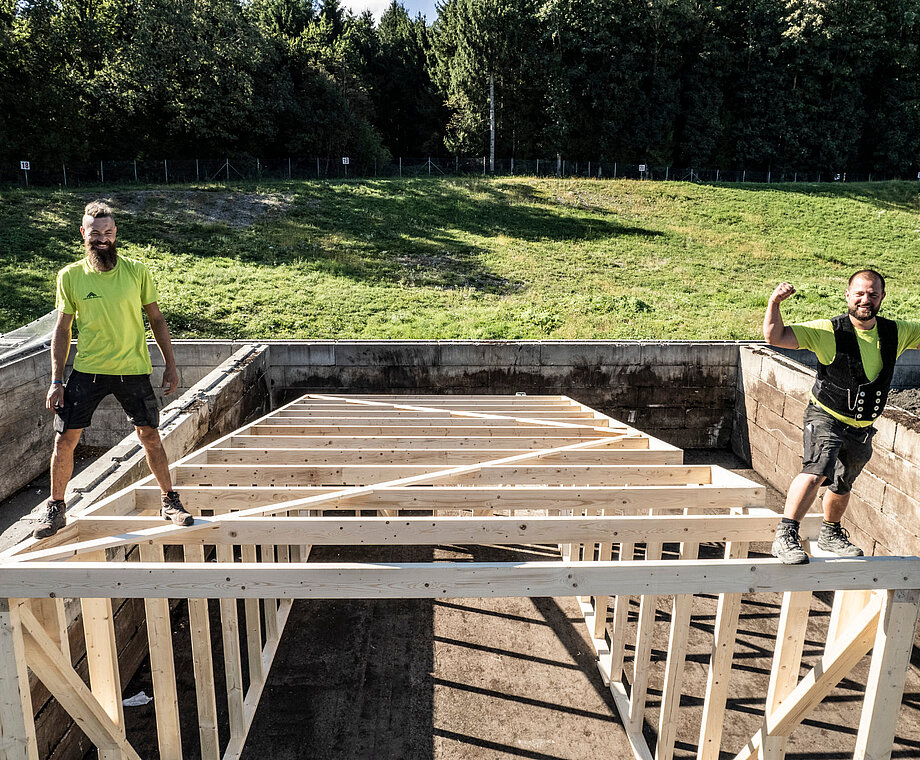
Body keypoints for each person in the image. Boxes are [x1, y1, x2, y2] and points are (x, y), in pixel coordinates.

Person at [34, 201, 194, 538]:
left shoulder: (137, 271)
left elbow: (157, 319)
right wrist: (56, 380)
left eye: (108, 232)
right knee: (64, 441)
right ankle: (56, 508)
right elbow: (62, 331)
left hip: (132, 369)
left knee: (150, 435)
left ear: (115, 233)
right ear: (84, 234)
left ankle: (170, 501)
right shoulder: (71, 276)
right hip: (88, 371)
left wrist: (170, 364)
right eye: (95, 233)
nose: (102, 238)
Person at [763, 270, 920, 564]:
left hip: (861, 427)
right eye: (859, 293)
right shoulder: (828, 330)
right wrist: (775, 303)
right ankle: (785, 535)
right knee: (818, 466)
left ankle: (830, 533)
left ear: (882, 297)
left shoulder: (895, 332)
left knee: (843, 481)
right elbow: (775, 336)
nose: (866, 299)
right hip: (826, 415)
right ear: (848, 295)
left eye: (873, 294)